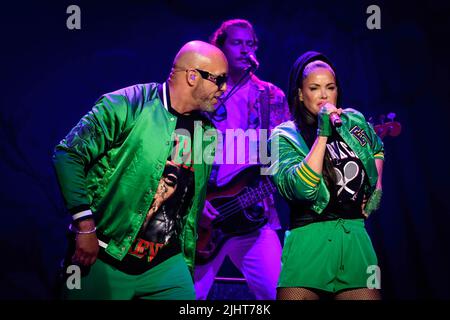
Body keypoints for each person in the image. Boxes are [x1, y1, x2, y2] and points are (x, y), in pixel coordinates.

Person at [52, 40, 228, 300]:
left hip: (165, 265)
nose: (224, 88)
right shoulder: (127, 104)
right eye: (219, 80)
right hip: (105, 254)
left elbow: (188, 202)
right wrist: (86, 227)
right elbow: (68, 154)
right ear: (192, 76)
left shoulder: (208, 133)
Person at [268, 51, 384, 300]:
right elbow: (302, 189)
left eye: (330, 88)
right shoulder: (282, 136)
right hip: (308, 242)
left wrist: (377, 186)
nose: (323, 95)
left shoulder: (353, 120)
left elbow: (377, 147)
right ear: (300, 94)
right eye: (314, 88)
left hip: (355, 240)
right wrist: (322, 133)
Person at [194, 19, 291, 300]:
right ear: (219, 47)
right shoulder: (204, 94)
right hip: (206, 215)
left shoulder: (271, 96)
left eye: (250, 44)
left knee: (279, 292)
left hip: (254, 213)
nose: (245, 50)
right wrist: (194, 203)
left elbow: (284, 153)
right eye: (236, 43)